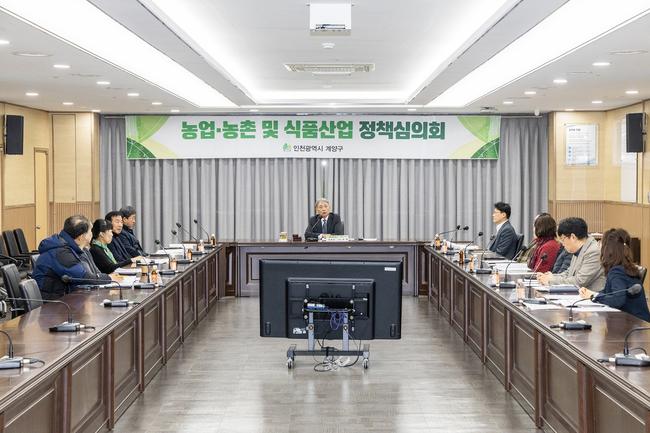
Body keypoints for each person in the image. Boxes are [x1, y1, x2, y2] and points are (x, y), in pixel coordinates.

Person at [32, 215, 112, 299]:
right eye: (90, 231)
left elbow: (92, 273)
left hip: (63, 298)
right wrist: (109, 278)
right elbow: (84, 277)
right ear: (81, 236)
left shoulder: (72, 248)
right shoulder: (61, 252)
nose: (92, 234)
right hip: (52, 302)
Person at [578, 228, 650, 322]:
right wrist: (591, 293)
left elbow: (618, 300)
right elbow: (609, 292)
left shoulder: (617, 271)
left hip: (634, 325)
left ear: (608, 249)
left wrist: (593, 296)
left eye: (601, 244)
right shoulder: (624, 267)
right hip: (635, 322)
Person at [537, 217, 605, 292]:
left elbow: (579, 281)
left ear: (573, 237)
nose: (562, 244)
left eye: (563, 239)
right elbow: (568, 273)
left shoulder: (593, 252)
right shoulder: (579, 249)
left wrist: (551, 281)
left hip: (590, 297)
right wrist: (551, 276)